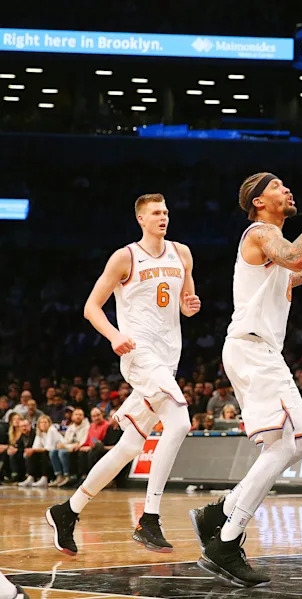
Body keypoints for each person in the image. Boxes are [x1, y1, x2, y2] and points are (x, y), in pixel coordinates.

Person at [188, 172, 302, 587]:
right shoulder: (260, 232)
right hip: (253, 349)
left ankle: (218, 514)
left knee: (301, 443)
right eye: (277, 187)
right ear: (257, 202)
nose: (287, 190)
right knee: (283, 446)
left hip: (257, 350)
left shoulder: (271, 248)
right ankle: (226, 540)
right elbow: (294, 257)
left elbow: (290, 273)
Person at [46, 193, 200, 556]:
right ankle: (149, 519)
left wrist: (191, 307)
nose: (163, 217)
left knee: (130, 445)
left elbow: (186, 303)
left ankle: (67, 512)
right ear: (141, 220)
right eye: (155, 213)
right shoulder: (125, 256)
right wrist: (114, 335)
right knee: (179, 422)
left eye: (166, 211)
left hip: (168, 358)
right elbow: (91, 307)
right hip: (138, 354)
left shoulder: (183, 253)